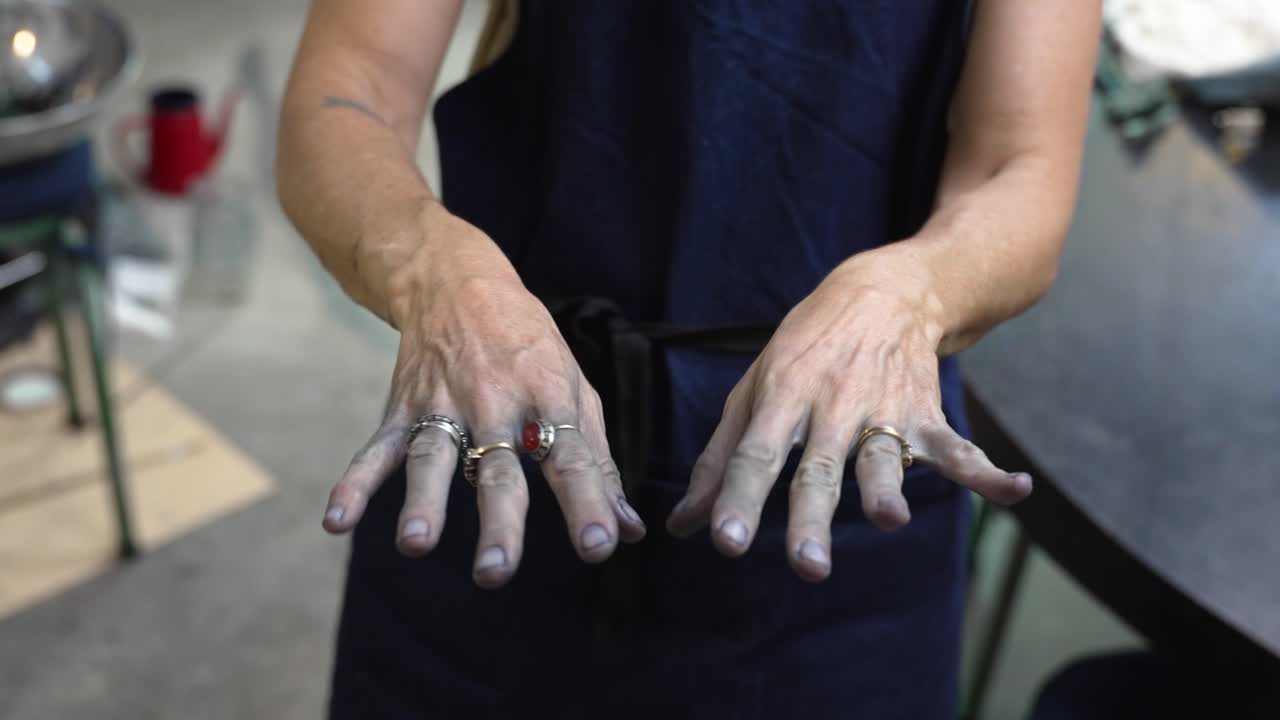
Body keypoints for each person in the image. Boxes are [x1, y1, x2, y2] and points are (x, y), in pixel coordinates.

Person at [276, 1, 1099, 717]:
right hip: (497, 426)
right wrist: (436, 276)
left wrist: (909, 296)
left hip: (851, 480)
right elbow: (348, 89)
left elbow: (1020, 168)